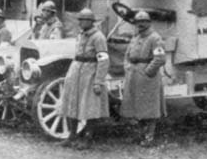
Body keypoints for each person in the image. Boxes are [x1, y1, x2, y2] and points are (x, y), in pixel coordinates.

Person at [60, 8, 109, 149]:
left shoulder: (98, 37)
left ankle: (87, 139)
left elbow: (103, 60)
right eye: (80, 20)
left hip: (90, 73)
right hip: (76, 71)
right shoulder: (80, 35)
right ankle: (72, 136)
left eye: (83, 20)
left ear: (90, 22)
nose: (80, 23)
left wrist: (98, 81)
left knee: (89, 107)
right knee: (72, 104)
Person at [119, 10, 166, 147]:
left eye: (143, 21)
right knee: (136, 108)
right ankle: (140, 135)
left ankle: (149, 137)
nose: (140, 24)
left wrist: (148, 72)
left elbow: (160, 58)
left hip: (148, 78)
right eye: (138, 22)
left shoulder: (155, 38)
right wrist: (127, 67)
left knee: (149, 108)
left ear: (149, 22)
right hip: (133, 75)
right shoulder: (135, 37)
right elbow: (127, 55)